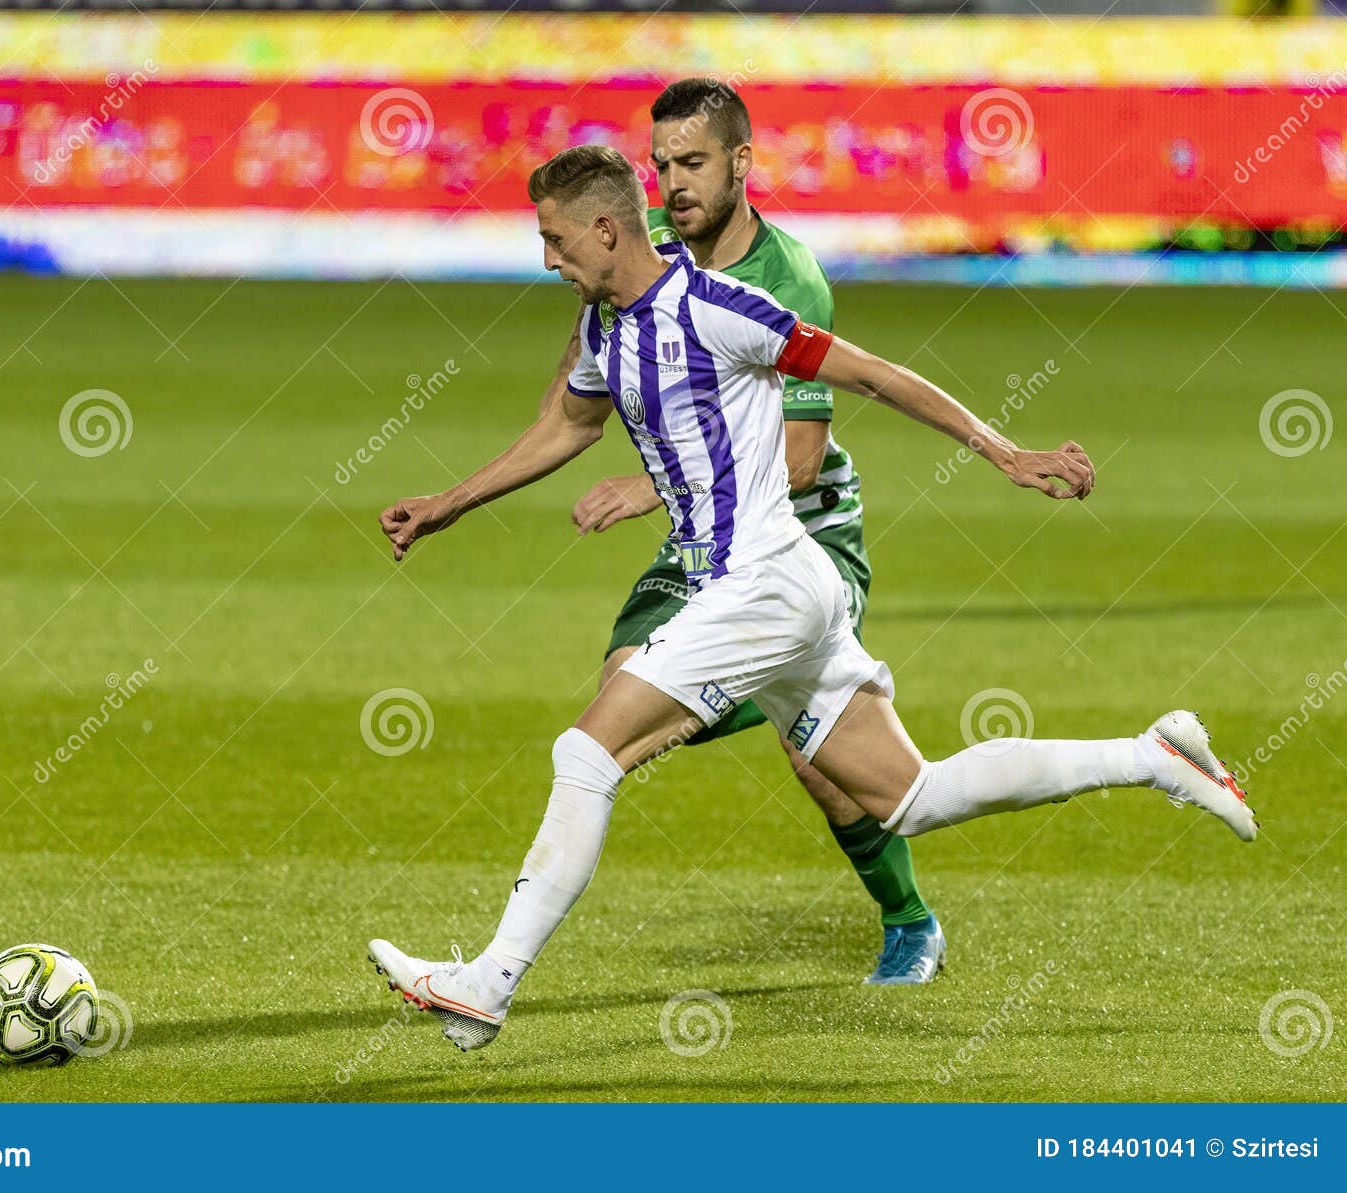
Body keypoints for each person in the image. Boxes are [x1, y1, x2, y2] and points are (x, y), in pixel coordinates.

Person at [371, 144, 1255, 1053]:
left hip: (762, 583)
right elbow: (569, 421)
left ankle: (487, 985)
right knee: (912, 797)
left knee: (586, 751)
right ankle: (1153, 756)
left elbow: (869, 374)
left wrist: (1004, 452)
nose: (547, 260)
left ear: (605, 229)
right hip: (780, 591)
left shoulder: (719, 307)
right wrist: (448, 503)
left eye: (556, 240)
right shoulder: (604, 326)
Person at [554, 78, 941, 984]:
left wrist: (649, 489)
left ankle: (910, 919)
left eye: (691, 164)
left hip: (803, 536)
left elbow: (800, 459)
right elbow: (576, 399)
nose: (673, 184)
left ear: (740, 164)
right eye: (660, 167)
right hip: (706, 537)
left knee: (808, 753)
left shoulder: (784, 277)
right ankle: (502, 959)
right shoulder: (639, 267)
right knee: (620, 690)